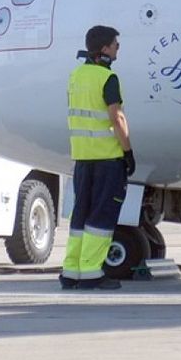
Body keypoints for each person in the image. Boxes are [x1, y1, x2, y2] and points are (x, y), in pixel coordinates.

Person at [61, 25, 135, 291]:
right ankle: (92, 271)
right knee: (101, 216)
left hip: (82, 159)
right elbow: (117, 117)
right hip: (106, 158)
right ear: (104, 49)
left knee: (80, 215)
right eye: (116, 44)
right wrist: (127, 151)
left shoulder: (75, 75)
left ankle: (71, 271)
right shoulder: (107, 78)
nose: (117, 49)